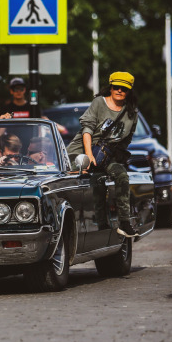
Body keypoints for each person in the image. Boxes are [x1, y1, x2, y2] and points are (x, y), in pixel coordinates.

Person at [66, 71, 140, 238]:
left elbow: (126, 139)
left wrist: (117, 155)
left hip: (106, 156)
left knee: (122, 176)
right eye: (116, 87)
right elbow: (87, 129)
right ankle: (100, 225)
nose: (119, 91)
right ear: (110, 87)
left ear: (129, 91)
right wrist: (88, 156)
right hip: (82, 152)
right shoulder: (99, 103)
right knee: (94, 183)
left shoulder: (131, 113)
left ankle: (125, 223)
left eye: (124, 88)